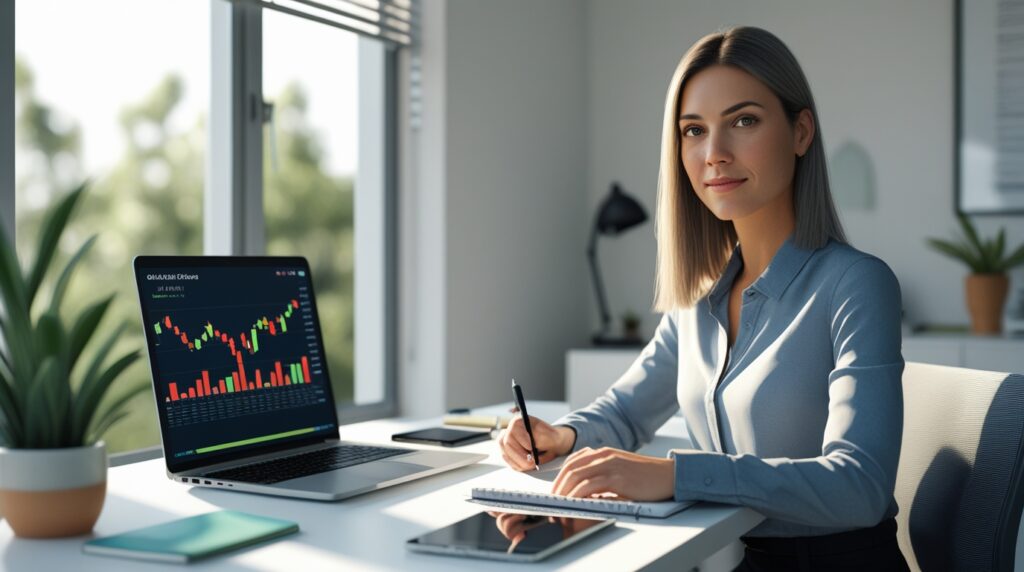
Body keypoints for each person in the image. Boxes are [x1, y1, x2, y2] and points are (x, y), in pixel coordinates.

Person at [498, 26, 910, 571]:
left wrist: (676, 475)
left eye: (743, 121)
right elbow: (625, 410)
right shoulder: (699, 298)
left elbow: (859, 485)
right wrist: (563, 435)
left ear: (801, 131)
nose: (714, 154)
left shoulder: (857, 284)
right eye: (694, 130)